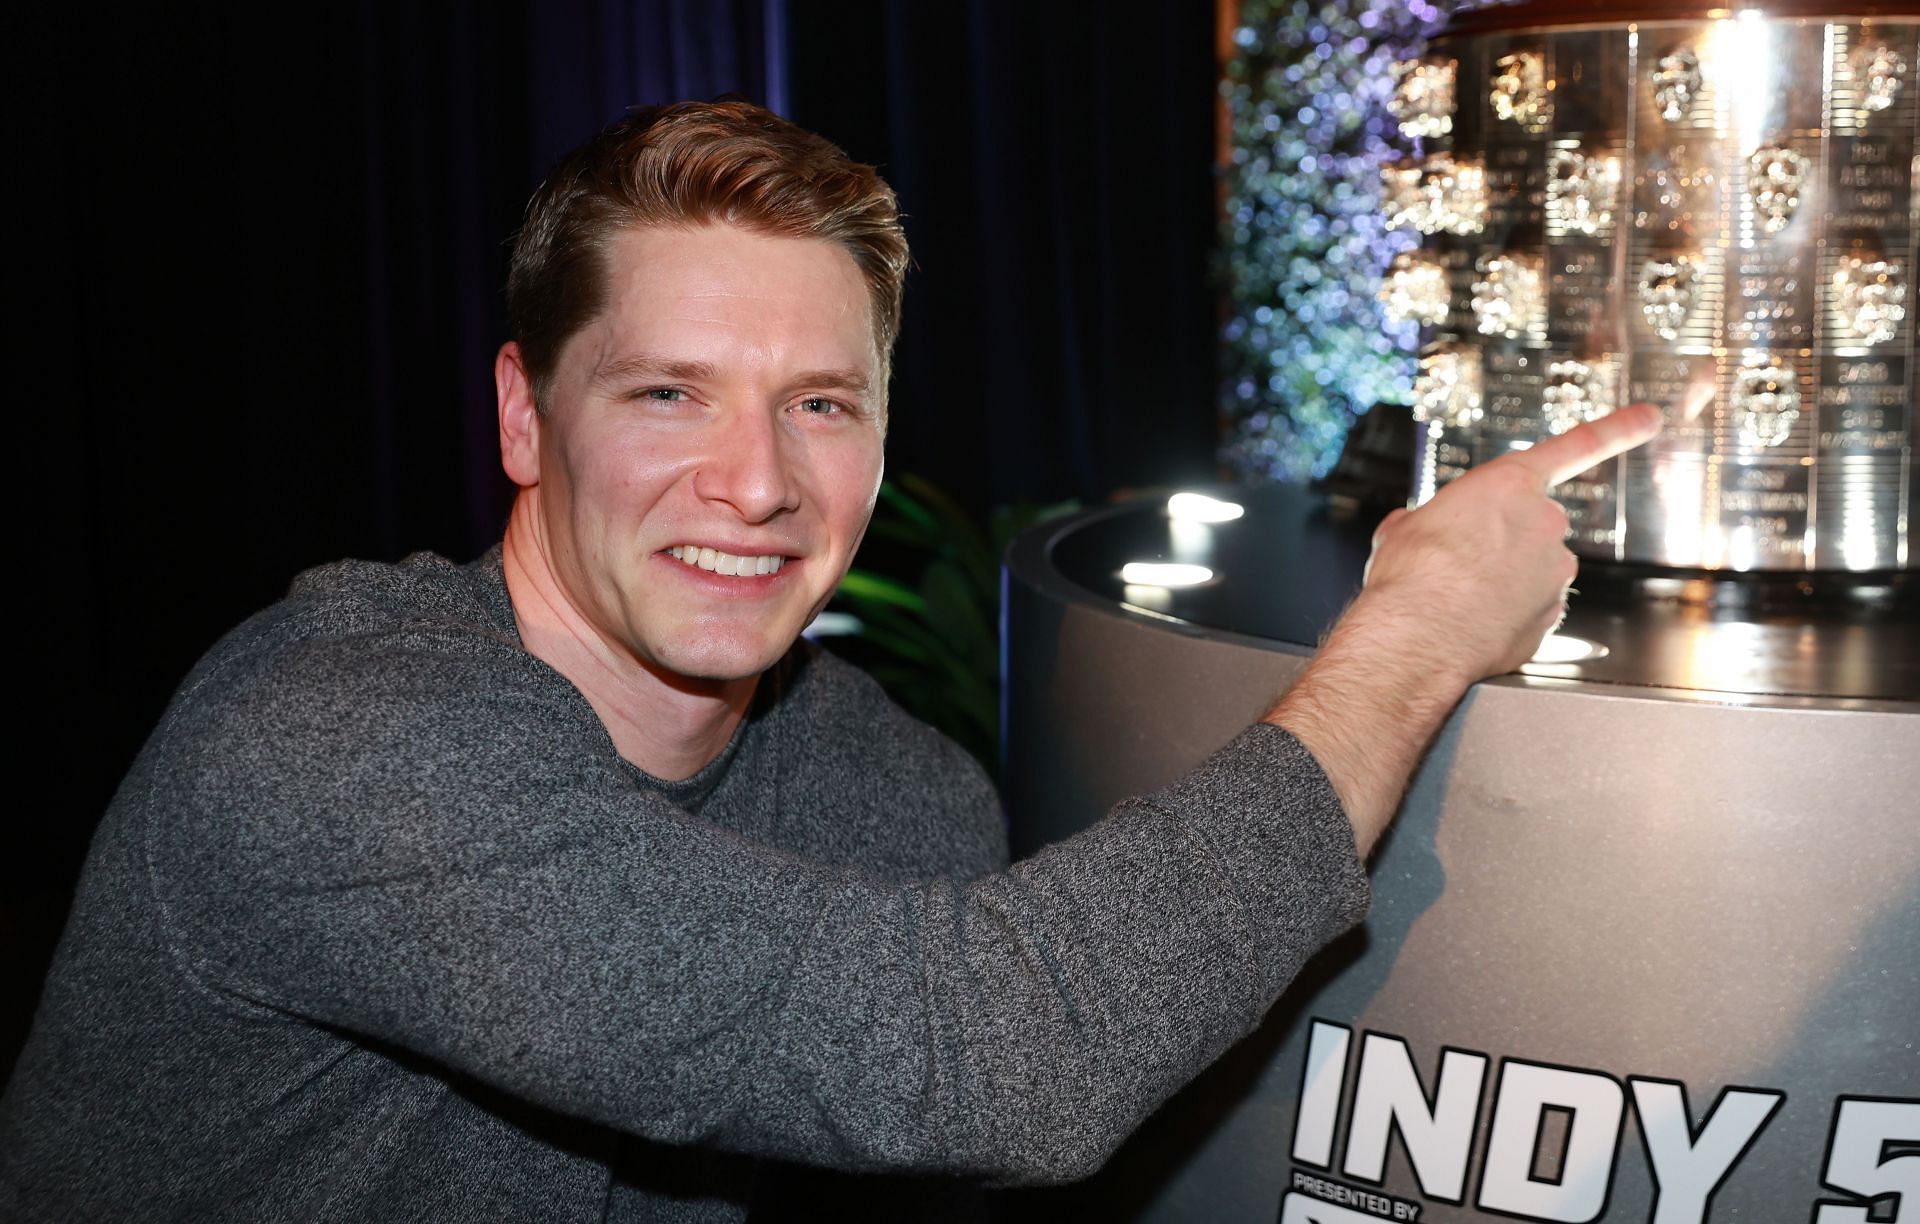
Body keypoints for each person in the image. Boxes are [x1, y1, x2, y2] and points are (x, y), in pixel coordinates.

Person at [0, 101, 1660, 1221]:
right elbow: (983, 1061)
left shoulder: (888, 786)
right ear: (522, 415)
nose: (757, 483)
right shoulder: (339, 741)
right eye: (669, 394)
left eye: (820, 403)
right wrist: (1415, 637)